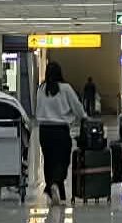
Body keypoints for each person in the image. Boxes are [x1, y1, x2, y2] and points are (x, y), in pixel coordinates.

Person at [34, 59, 90, 205]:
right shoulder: (65, 88)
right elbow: (77, 107)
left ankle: (54, 192)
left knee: (49, 160)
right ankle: (55, 184)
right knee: (63, 160)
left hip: (44, 131)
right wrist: (84, 117)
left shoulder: (41, 89)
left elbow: (37, 109)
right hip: (60, 130)